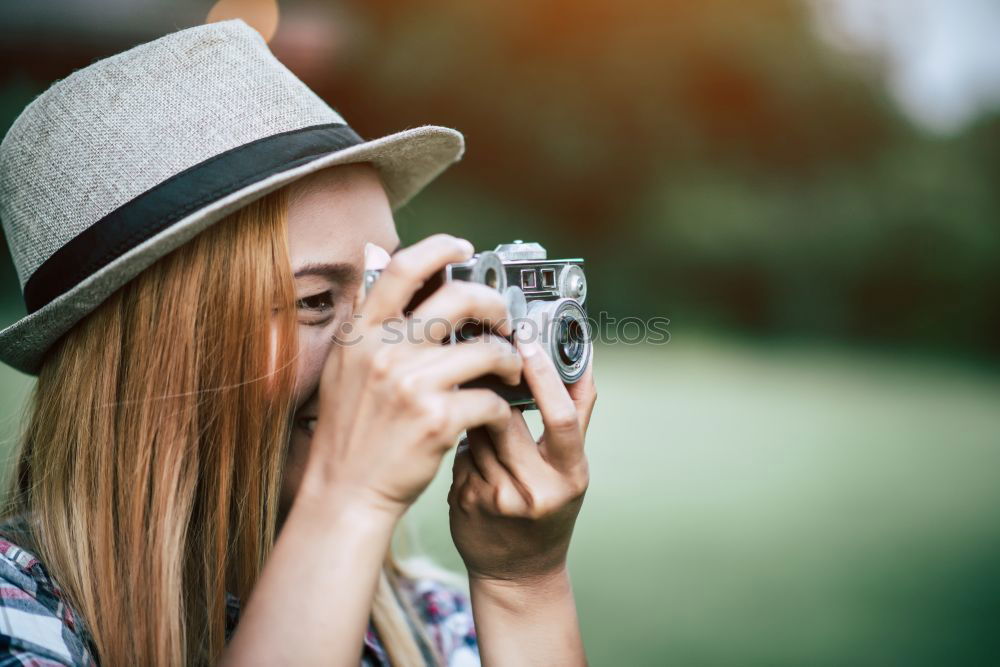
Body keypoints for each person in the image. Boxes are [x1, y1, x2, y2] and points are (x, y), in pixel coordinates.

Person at [0, 19, 595, 666]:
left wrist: (521, 584)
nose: (385, 347)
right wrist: (350, 496)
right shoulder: (20, 612)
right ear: (148, 354)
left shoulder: (431, 620)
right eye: (315, 300)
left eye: (391, 287)